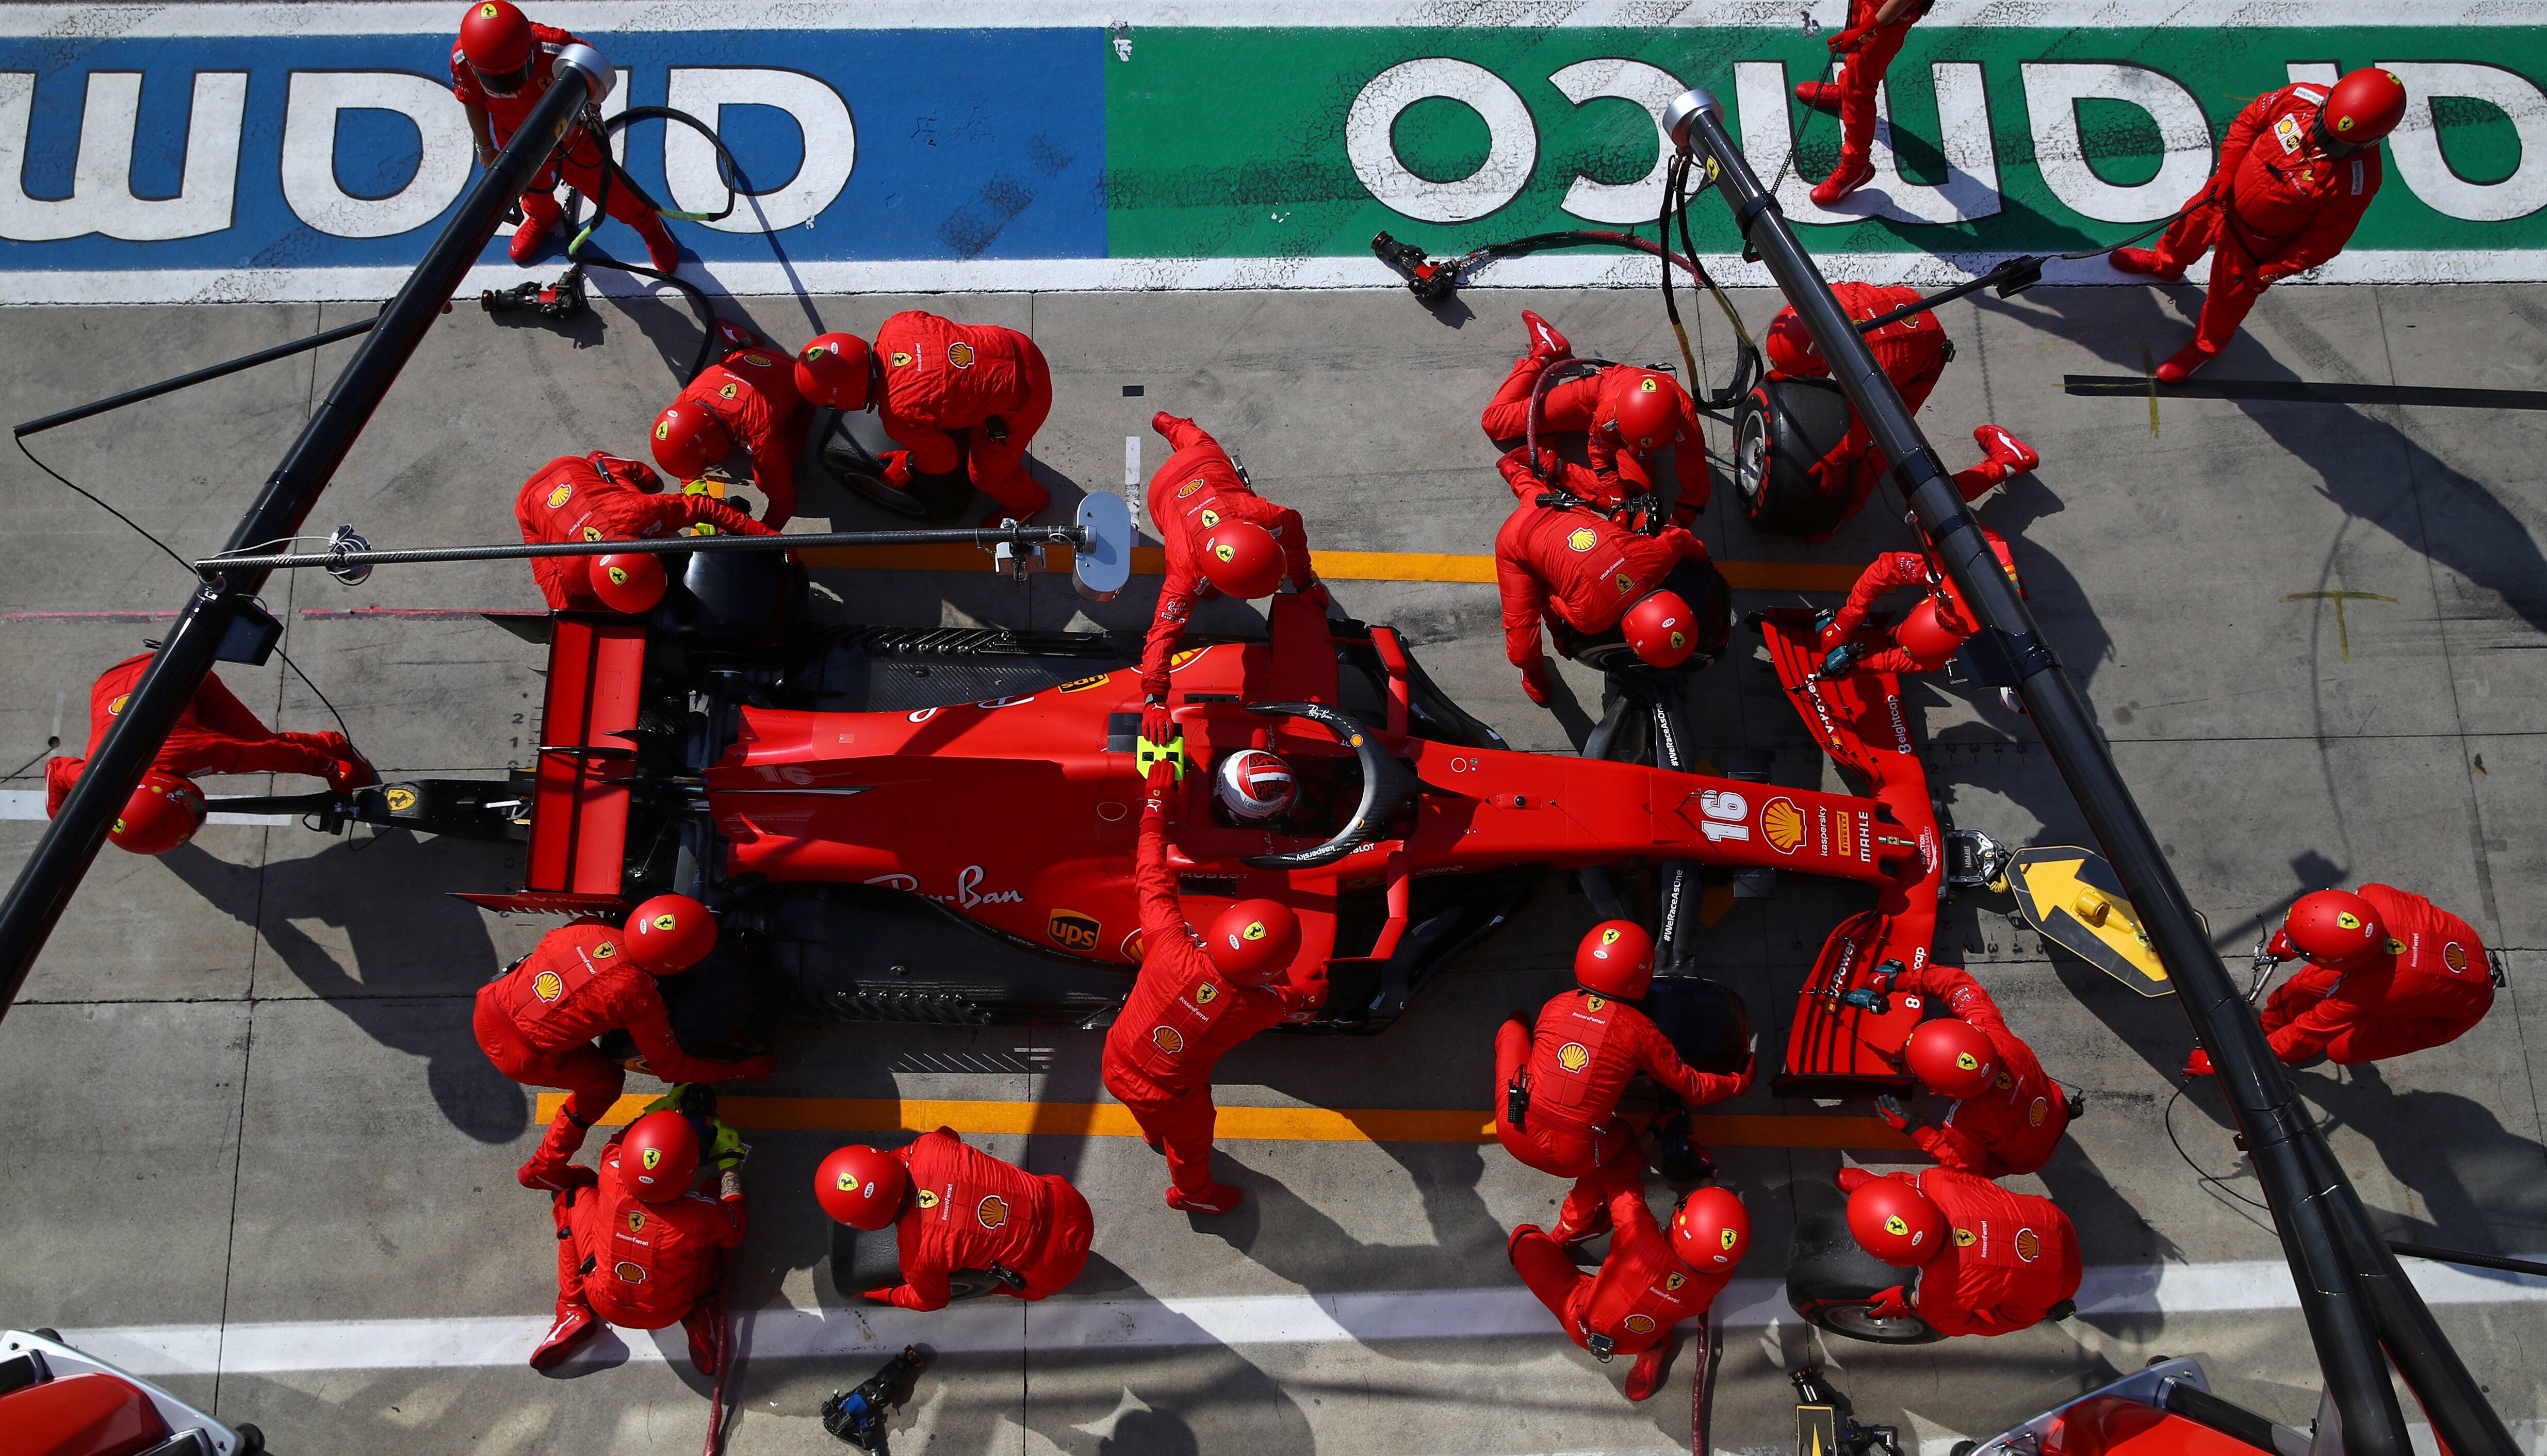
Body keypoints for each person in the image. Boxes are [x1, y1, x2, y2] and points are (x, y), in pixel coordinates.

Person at [1100, 760, 1323, 1213]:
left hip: (1115, 1059)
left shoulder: (1168, 944)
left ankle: (1150, 1133)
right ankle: (1194, 1195)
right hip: (1172, 1099)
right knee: (1192, 1146)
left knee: (1151, 1116)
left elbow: (1150, 871)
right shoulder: (1252, 1008)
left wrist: (1156, 804)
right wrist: (1313, 991)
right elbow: (1295, 1004)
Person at [2112, 69, 2408, 383]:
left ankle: (2206, 347)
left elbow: (2324, 242)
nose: (2324, 140)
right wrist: (2226, 170)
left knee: (2229, 301)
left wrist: (2270, 270)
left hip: (2256, 245)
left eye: (2339, 144)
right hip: (2222, 198)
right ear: (2330, 100)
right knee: (2185, 229)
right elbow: (2249, 123)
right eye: (2325, 128)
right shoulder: (2300, 97)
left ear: (2371, 141)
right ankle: (2166, 264)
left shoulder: (2358, 180)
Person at [475, 894, 775, 1190]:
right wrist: (738, 1070)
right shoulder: (636, 993)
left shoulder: (587, 926)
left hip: (489, 1005)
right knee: (605, 1083)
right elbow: (674, 1069)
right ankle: (544, 1167)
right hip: (523, 1054)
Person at [1494, 921, 1754, 1242]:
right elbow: (1693, 1087)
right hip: (1575, 1155)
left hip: (1513, 1128)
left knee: (1512, 1033)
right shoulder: (1640, 1030)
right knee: (1624, 1137)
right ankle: (1571, 1226)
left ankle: (1514, 1020)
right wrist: (1737, 1083)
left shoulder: (1557, 1003)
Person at [1760, 298, 2038, 536]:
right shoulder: (1813, 298)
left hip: (1915, 353)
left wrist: (1837, 460)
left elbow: (1866, 430)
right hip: (1894, 319)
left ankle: (2009, 461)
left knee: (1883, 447)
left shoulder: (1873, 372)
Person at [45, 653, 377, 841]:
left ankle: (332, 743)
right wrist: (64, 825)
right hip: (113, 680)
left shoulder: (203, 752)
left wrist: (334, 769)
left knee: (260, 740)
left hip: (177, 672)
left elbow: (272, 755)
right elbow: (57, 769)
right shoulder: (95, 779)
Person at [1135, 412, 1322, 746]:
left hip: (1182, 475)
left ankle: (1165, 422)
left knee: (1198, 444)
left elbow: (1164, 634)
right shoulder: (1187, 571)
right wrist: (1304, 581)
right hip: (1184, 473)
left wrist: (1156, 699)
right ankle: (1169, 423)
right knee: (1192, 436)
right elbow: (1295, 534)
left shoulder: (1188, 573)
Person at [450, 0, 678, 272]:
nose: (507, 86)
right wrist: (484, 146)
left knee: (610, 191)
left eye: (514, 74)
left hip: (571, 139)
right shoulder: (463, 59)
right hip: (514, 140)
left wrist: (578, 110)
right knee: (531, 190)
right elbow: (471, 100)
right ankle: (542, 216)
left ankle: (646, 222)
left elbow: (595, 74)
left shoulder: (556, 47)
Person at [1493, 447, 1730, 704]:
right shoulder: (1590, 619)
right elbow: (1545, 596)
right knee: (1522, 651)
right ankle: (1530, 671)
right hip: (1517, 540)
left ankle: (1511, 466)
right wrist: (1558, 635)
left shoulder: (1655, 560)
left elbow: (1682, 540)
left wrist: (1708, 565)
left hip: (1560, 509)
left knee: (1533, 496)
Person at [2186, 887, 2495, 1074]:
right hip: (2444, 957)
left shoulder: (2365, 993)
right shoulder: (2375, 896)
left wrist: (2233, 1064)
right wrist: (2298, 938)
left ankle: (2281, 1056)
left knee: (2341, 1049)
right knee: (2298, 990)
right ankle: (2265, 1034)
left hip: (2455, 1009)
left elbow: (2308, 1031)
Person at [529, 1108, 744, 1373]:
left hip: (603, 1300)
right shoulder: (702, 1214)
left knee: (572, 1200)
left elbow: (619, 1140)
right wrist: (730, 1163)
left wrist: (654, 1111)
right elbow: (736, 1226)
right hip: (668, 1309)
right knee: (712, 1233)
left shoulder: (610, 1171)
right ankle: (701, 1312)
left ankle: (571, 1307)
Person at [787, 314, 1053, 519]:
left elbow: (944, 461)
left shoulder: (899, 417)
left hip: (1028, 397)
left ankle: (1032, 502)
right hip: (1015, 344)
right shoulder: (898, 323)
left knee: (985, 477)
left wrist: (909, 463)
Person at [1508, 1185, 1750, 1401]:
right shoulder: (1718, 1279)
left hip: (1581, 1321)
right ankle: (1653, 1347)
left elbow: (1619, 1182)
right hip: (1639, 1338)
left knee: (1522, 1237)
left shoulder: (1640, 1236)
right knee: (1650, 1308)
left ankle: (1571, 1233)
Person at [814, 1130, 1095, 1310]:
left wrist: (886, 1296)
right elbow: (950, 1135)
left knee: (1007, 1285)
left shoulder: (918, 1259)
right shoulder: (929, 1144)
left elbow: (932, 1300)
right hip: (1070, 1203)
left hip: (1057, 1267)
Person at [1477, 310, 1710, 518]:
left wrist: (1677, 524)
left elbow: (1696, 487)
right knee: (1496, 422)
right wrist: (1611, 485)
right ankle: (1544, 353)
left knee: (1635, 499)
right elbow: (1599, 452)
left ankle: (1551, 463)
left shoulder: (1686, 424)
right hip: (1592, 398)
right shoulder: (1609, 414)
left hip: (1625, 428)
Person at [1872, 964, 2071, 1178]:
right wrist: (1899, 980)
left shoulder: (1965, 1121)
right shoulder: (1992, 1030)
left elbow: (1962, 1164)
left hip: (2028, 1159)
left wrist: (1913, 1129)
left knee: (1951, 1179)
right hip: (2057, 1111)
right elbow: (1957, 983)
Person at [512, 449, 774, 610]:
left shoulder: (640, 512)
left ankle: (606, 464)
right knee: (562, 604)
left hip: (575, 473)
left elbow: (704, 508)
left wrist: (768, 537)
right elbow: (560, 598)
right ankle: (605, 465)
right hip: (530, 506)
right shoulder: (576, 576)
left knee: (640, 490)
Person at [1837, 1165, 2080, 1338]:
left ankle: (1878, 1184)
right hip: (2054, 1222)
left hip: (2062, 1287)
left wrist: (1910, 1298)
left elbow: (1957, 1326)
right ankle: (1875, 1184)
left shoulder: (1939, 1297)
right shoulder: (1937, 1180)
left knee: (1990, 1322)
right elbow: (1920, 1186)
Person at [650, 319, 815, 528]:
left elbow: (785, 503)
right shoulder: (686, 402)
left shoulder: (758, 427)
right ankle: (745, 344)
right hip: (746, 357)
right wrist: (694, 493)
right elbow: (686, 449)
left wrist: (756, 538)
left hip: (796, 374)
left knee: (773, 477)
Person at [1814, 529, 2022, 681]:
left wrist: (1867, 665)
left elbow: (1923, 661)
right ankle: (2006, 466)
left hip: (1984, 557)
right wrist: (1846, 620)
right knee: (1925, 516)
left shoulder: (1978, 644)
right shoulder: (1943, 573)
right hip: (1976, 554)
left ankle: (2006, 466)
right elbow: (1885, 569)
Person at [1794, 0, 1932, 206]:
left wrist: (1867, 32)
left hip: (1889, 17)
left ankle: (1856, 166)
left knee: (1859, 90)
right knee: (1855, 61)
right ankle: (1843, 92)